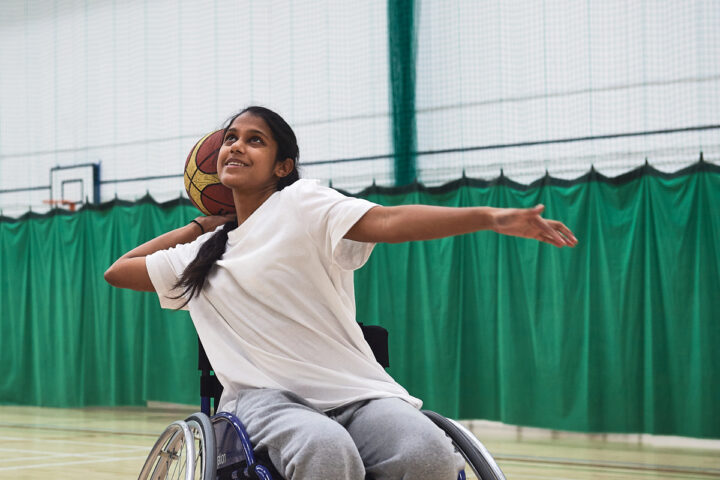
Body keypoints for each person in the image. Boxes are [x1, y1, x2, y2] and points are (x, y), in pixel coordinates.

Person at [105, 106, 577, 480]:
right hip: (263, 401)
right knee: (325, 450)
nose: (236, 146)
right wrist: (201, 225)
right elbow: (118, 271)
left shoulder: (303, 202)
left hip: (356, 394)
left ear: (283, 165)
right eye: (231, 138)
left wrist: (488, 218)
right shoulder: (203, 253)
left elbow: (388, 221)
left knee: (429, 453)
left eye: (255, 140)